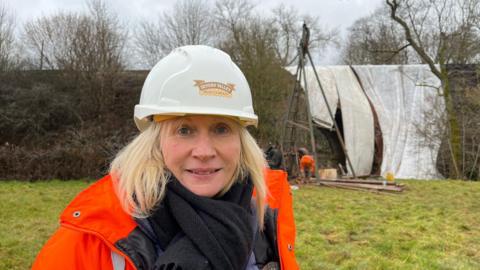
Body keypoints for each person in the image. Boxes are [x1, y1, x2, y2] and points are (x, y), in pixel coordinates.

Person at [32, 45, 298, 270]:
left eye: (221, 128)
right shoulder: (90, 241)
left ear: (242, 141)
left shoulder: (264, 220)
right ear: (155, 141)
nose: (204, 151)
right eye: (184, 130)